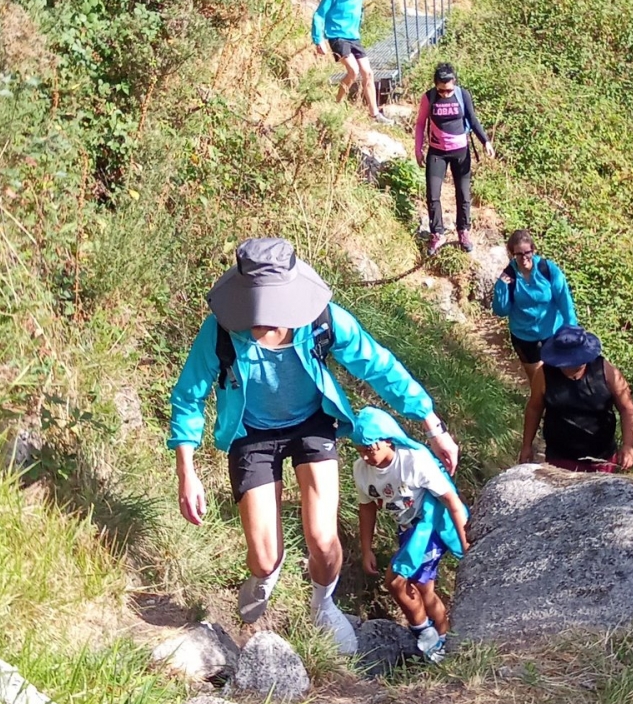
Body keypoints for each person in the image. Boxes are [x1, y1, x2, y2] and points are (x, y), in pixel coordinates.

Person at [169, 238, 460, 656]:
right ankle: (264, 579)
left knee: (323, 540)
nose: (263, 317)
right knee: (264, 557)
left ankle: (323, 605)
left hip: (312, 424)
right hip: (252, 432)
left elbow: (379, 365)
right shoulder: (221, 330)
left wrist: (432, 424)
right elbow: (188, 395)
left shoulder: (322, 321)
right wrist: (187, 470)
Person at [353, 407, 469, 663]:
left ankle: (426, 636)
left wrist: (466, 543)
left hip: (430, 524)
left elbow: (451, 500)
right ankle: (445, 639)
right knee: (423, 590)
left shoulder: (414, 460)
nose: (366, 456)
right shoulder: (361, 469)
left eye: (371, 449)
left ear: (388, 440)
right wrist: (366, 548)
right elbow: (367, 507)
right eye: (360, 450)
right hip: (407, 530)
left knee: (396, 581)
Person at [519, 325, 633, 473]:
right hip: (560, 458)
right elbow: (534, 408)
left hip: (601, 459)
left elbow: (627, 408)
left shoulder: (607, 372)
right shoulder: (544, 374)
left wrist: (628, 445)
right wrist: (527, 445)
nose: (570, 367)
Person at [415, 61, 493, 255]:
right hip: (437, 152)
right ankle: (437, 234)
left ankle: (463, 231)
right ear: (435, 85)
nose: (445, 94)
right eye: (441, 91)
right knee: (433, 195)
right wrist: (418, 149)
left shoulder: (462, 95)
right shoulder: (429, 97)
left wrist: (486, 142)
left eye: (448, 90)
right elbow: (420, 124)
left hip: (461, 152)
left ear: (454, 83)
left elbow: (473, 120)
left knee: (464, 194)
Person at [312, 0, 396, 121]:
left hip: (354, 37)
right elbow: (319, 15)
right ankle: (336, 106)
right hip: (337, 37)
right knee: (353, 70)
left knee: (368, 73)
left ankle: (375, 114)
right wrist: (318, 40)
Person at [492, 229, 578, 386]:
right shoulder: (509, 275)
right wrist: (501, 287)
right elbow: (501, 310)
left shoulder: (547, 270)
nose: (524, 258)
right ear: (512, 254)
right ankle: (542, 408)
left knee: (560, 376)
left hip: (551, 332)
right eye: (518, 254)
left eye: (527, 253)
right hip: (523, 336)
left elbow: (564, 299)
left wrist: (571, 328)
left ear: (533, 250)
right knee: (539, 381)